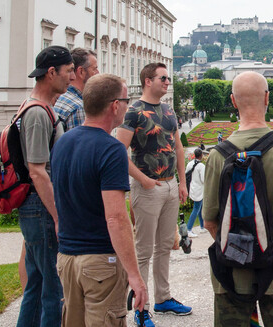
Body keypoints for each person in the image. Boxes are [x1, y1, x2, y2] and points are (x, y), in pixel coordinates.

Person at [203, 71, 273, 326]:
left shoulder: (218, 156)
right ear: (267, 98)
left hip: (231, 270)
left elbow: (210, 222)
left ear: (232, 101)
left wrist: (241, 248)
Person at [50, 74, 148, 326]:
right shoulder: (111, 148)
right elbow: (116, 217)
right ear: (115, 105)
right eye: (127, 101)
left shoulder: (63, 142)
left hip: (68, 258)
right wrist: (135, 276)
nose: (128, 106)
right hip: (100, 260)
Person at [116, 63, 191, 327]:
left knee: (164, 248)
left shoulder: (169, 110)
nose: (168, 81)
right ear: (148, 81)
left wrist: (181, 182)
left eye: (168, 77)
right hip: (148, 188)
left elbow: (179, 147)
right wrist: (143, 180)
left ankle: (163, 298)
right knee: (144, 250)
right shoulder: (133, 112)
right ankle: (141, 308)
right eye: (163, 78)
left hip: (170, 185)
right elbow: (119, 152)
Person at [16, 45, 73, 327]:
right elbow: (38, 171)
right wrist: (58, 216)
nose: (72, 77)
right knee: (53, 290)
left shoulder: (41, 108)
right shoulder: (38, 113)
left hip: (37, 208)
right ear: (51, 73)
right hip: (40, 207)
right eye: (69, 71)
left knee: (37, 286)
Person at [54, 48, 99, 131]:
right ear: (81, 71)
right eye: (94, 69)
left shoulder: (61, 97)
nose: (98, 73)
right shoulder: (78, 108)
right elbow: (80, 143)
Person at [185, 148, 205, 237]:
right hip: (199, 189)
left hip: (192, 188)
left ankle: (202, 226)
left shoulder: (190, 164)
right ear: (201, 155)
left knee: (200, 207)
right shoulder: (201, 166)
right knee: (196, 209)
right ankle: (189, 229)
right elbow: (203, 179)